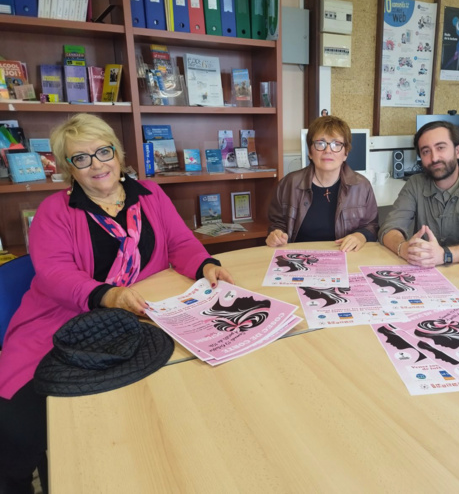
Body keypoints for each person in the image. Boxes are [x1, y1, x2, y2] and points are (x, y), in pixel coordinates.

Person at [0, 114, 234, 493]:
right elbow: (54, 274)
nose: (96, 164)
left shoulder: (151, 194)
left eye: (103, 152)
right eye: (81, 158)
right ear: (67, 168)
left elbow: (180, 243)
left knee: (163, 405)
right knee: (18, 428)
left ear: (118, 152)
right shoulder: (54, 212)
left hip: (141, 315)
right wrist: (107, 295)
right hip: (60, 321)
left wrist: (206, 264)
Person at [380, 120, 459, 267]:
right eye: (426, 151)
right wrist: (403, 248)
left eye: (441, 148)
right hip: (425, 270)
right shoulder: (415, 183)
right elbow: (389, 228)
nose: (434, 158)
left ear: (458, 151)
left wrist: (445, 255)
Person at [266, 115, 378, 252]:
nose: (328, 150)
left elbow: (372, 225)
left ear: (346, 153)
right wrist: (276, 234)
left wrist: (361, 236)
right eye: (320, 143)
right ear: (310, 152)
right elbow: (277, 223)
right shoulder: (289, 184)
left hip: (345, 257)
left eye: (336, 144)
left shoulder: (362, 186)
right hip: (300, 258)